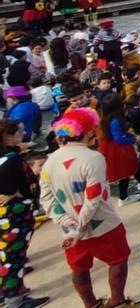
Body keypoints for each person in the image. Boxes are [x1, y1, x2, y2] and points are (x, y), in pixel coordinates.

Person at [39, 108, 140, 308]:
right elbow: (93, 197)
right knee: (118, 260)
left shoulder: (49, 162)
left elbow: (47, 200)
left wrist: (69, 225)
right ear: (88, 132)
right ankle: (117, 302)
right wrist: (80, 227)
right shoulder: (94, 158)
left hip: (70, 230)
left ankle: (90, 304)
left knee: (79, 268)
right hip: (103, 225)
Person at [0, 120, 48, 308]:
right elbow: (27, 188)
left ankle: (5, 292)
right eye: (20, 131)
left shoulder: (8, 155)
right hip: (15, 216)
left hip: (7, 216)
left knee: (5, 256)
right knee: (13, 259)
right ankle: (15, 300)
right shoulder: (12, 161)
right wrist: (17, 192)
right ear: (9, 136)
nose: (24, 133)